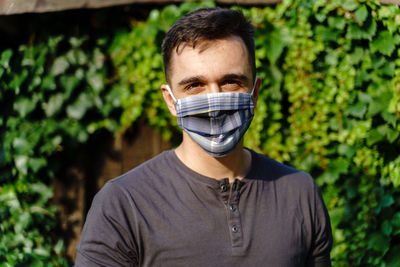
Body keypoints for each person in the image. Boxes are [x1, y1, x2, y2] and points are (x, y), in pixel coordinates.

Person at [75, 7, 332, 267]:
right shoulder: (123, 204)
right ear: (170, 100)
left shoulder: (300, 193)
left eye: (231, 82)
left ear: (254, 93)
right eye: (194, 85)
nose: (213, 101)